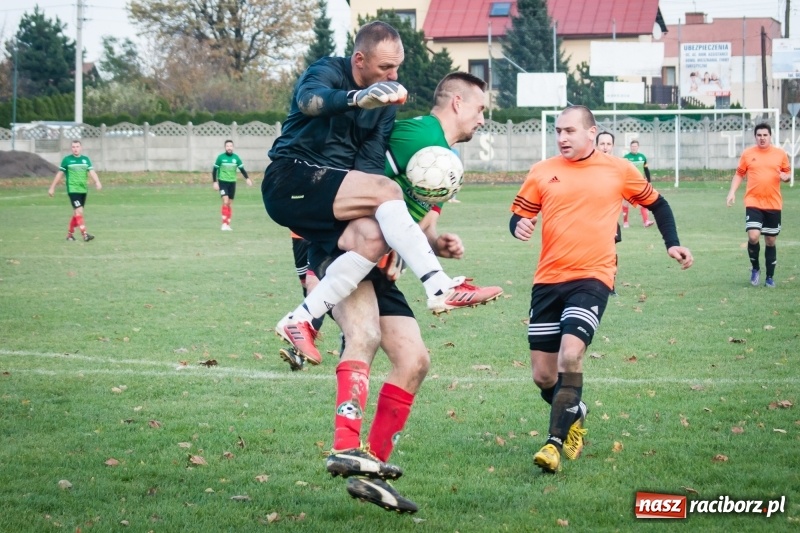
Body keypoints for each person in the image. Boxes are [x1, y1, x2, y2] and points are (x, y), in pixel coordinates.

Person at [311, 71, 499, 514]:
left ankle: (373, 470)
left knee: (415, 361)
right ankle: (345, 446)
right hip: (347, 247)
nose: (483, 119)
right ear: (456, 102)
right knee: (364, 336)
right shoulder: (416, 132)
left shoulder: (444, 157)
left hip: (383, 262)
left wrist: (436, 242)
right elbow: (357, 184)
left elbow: (417, 220)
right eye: (481, 109)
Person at [261, 21, 499, 366]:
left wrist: (397, 236)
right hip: (291, 178)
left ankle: (301, 320)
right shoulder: (328, 70)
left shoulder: (386, 103)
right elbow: (311, 102)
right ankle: (439, 287)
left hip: (333, 192)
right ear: (359, 59)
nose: (393, 74)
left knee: (373, 237)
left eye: (397, 67)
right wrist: (358, 99)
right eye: (385, 67)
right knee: (387, 191)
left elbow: (369, 165)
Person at [509, 106, 693, 474]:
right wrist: (519, 227)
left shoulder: (619, 170)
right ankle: (576, 410)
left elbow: (659, 204)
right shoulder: (542, 172)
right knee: (543, 376)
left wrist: (671, 243)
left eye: (570, 131)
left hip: (593, 277)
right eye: (558, 131)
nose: (562, 137)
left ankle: (554, 444)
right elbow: (519, 214)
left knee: (571, 355)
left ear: (592, 133)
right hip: (547, 280)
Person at [725, 122, 791, 288]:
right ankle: (755, 269)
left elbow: (788, 173)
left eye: (765, 135)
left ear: (770, 136)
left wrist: (786, 177)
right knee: (753, 236)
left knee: (770, 240)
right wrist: (732, 192)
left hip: (773, 204)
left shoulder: (780, 154)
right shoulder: (748, 154)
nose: (762, 138)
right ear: (755, 137)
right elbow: (739, 174)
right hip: (753, 202)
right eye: (759, 135)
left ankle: (769, 277)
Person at [48, 140, 102, 241]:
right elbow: (59, 174)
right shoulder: (67, 160)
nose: (75, 149)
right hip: (73, 190)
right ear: (71, 148)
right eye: (73, 147)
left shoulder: (85, 160)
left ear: (81, 148)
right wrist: (52, 187)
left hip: (83, 190)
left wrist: (97, 181)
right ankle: (85, 235)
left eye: (77, 146)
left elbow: (92, 172)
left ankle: (70, 235)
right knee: (79, 211)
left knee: (77, 214)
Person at [596, 131, 621, 296]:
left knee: (610, 253)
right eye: (602, 144)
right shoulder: (587, 166)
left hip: (609, 220)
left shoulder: (619, 168)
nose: (605, 147)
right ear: (596, 145)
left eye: (608, 144)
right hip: (587, 220)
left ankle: (610, 285)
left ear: (613, 146)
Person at [212, 139, 252, 231]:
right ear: (225, 147)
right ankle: (224, 224)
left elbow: (242, 169)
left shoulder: (236, 158)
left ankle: (228, 224)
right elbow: (214, 170)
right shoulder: (220, 158)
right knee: (225, 201)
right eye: (227, 146)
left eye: (230, 146)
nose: (229, 147)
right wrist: (215, 182)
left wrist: (247, 178)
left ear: (233, 147)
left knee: (229, 203)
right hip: (223, 182)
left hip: (232, 182)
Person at [622, 140, 654, 228]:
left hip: (640, 182)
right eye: (632, 146)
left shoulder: (642, 157)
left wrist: (649, 182)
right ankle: (625, 222)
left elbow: (646, 170)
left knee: (643, 201)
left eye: (635, 146)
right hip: (629, 183)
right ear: (630, 147)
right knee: (626, 202)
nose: (634, 148)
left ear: (638, 147)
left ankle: (646, 221)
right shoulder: (626, 157)